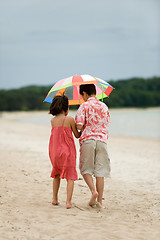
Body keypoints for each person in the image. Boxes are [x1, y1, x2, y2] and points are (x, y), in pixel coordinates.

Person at [75, 84, 111, 208]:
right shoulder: (104, 106)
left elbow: (79, 125)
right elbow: (106, 124)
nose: (82, 98)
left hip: (88, 140)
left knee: (85, 169)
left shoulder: (84, 106)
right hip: (102, 141)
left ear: (84, 93)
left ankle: (93, 191)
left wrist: (79, 130)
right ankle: (100, 202)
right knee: (100, 172)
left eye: (82, 95)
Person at [49, 95, 81, 209]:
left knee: (56, 175)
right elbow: (77, 135)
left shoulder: (52, 121)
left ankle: (54, 199)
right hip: (67, 152)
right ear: (66, 108)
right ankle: (68, 202)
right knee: (70, 177)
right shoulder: (70, 119)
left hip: (55, 152)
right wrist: (82, 128)